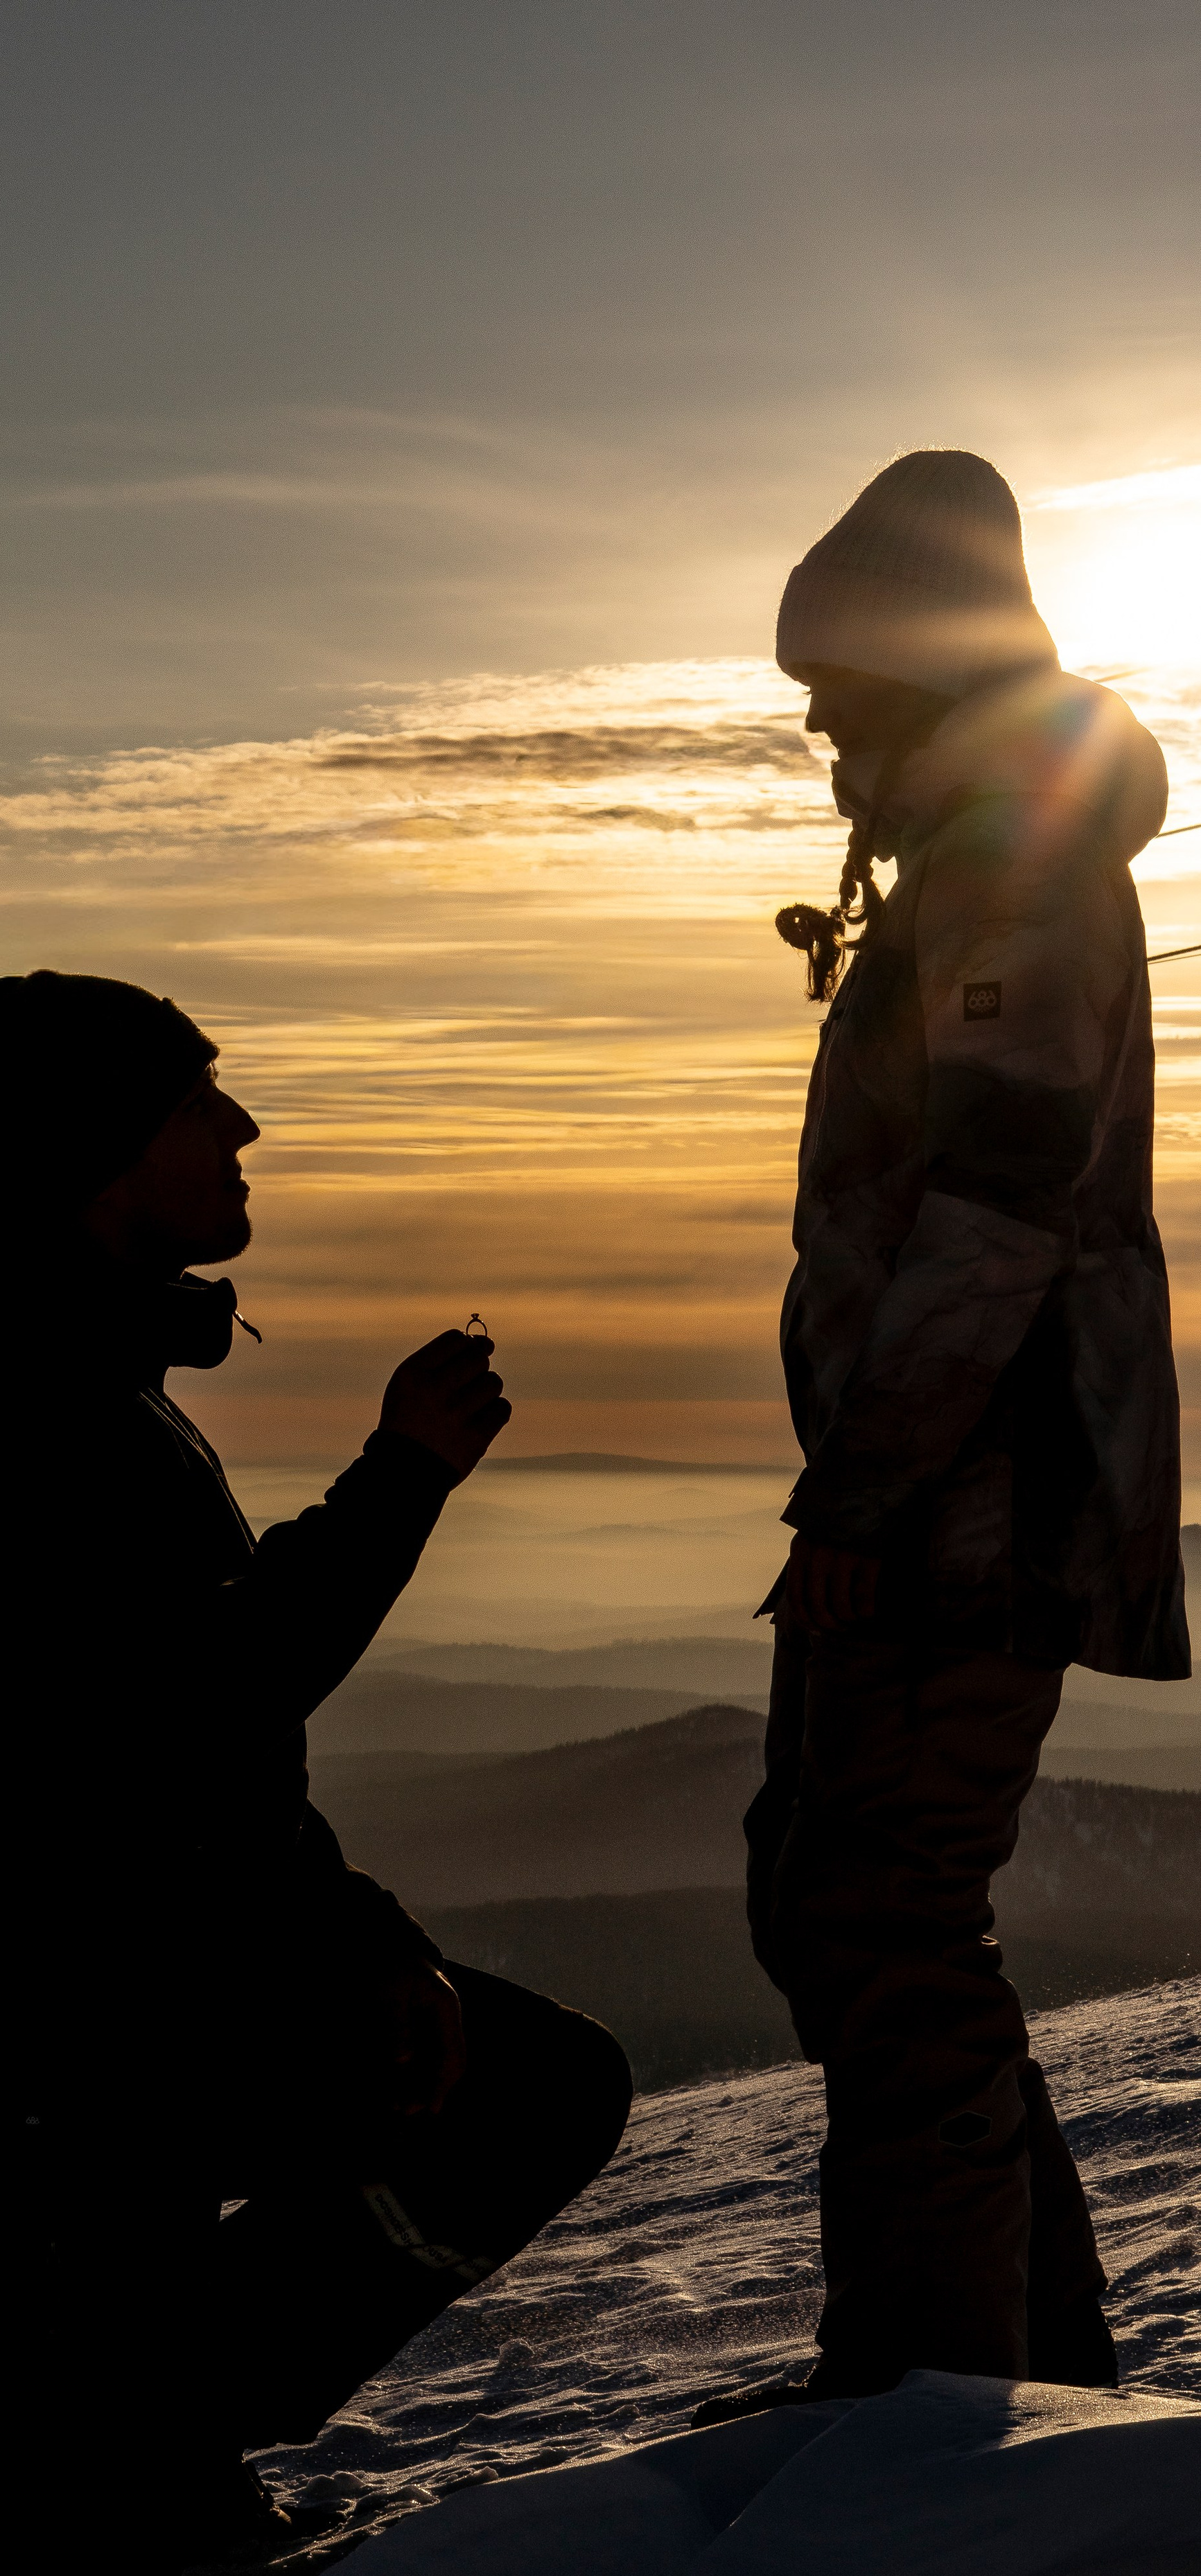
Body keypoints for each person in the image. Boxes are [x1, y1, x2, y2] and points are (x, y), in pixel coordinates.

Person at [0, 970, 633, 2576]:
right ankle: (108, 2447)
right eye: (205, 1101)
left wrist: (365, 1941)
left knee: (523, 2083)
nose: (244, 1129)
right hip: (22, 2077)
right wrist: (400, 1473)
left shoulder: (85, 1386)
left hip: (88, 2040)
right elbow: (192, 1702)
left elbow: (210, 1768)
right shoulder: (12, 1413)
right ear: (109, 1149)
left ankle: (144, 2426)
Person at [700, 451, 1188, 2422]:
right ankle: (1016, 2369)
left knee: (884, 1915)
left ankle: (934, 2393)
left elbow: (999, 1200)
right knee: (839, 1898)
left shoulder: (1010, 870)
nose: (817, 721)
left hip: (967, 1505)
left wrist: (868, 1479)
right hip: (945, 1492)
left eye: (837, 682)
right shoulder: (975, 866)